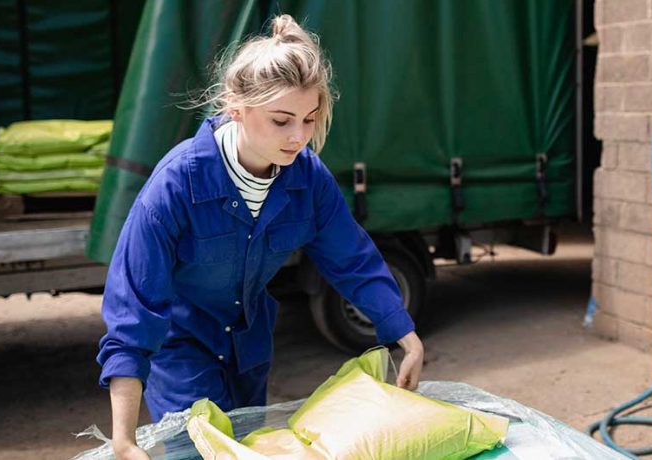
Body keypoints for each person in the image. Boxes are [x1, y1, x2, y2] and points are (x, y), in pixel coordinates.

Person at [96, 15, 424, 460]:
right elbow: (132, 315)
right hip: (180, 349)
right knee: (200, 453)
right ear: (236, 107)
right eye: (282, 120)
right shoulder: (175, 188)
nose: (298, 138)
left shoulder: (307, 179)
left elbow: (352, 258)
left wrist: (404, 335)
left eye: (309, 120)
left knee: (247, 450)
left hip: (249, 343)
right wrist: (124, 439)